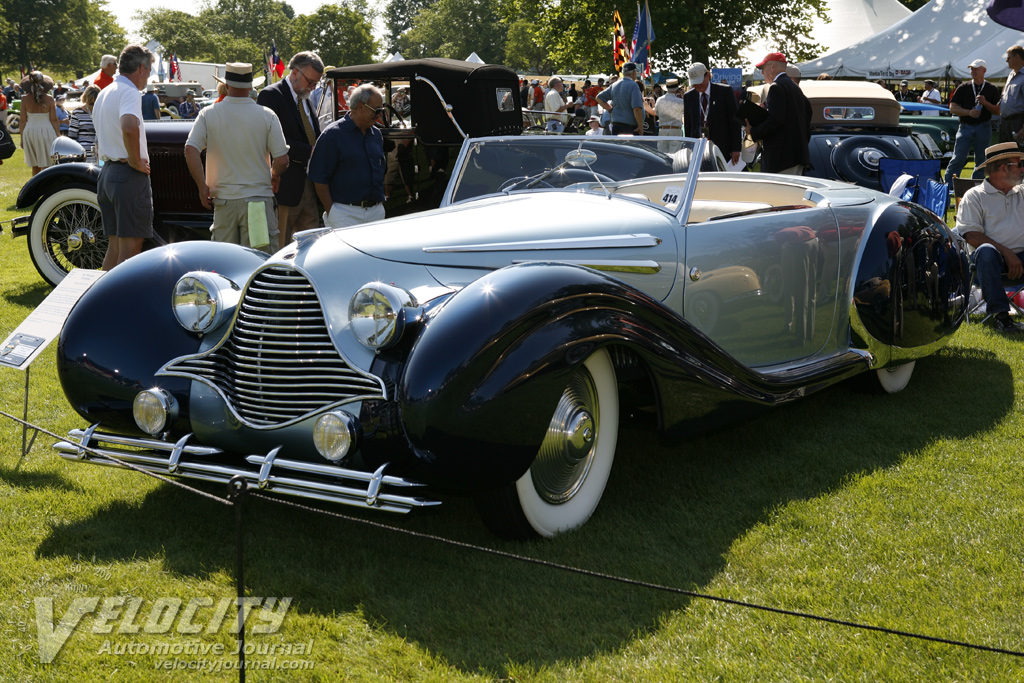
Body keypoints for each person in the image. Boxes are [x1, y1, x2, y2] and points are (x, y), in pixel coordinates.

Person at [184, 62, 287, 253]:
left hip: (224, 202)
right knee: (258, 264)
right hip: (258, 201)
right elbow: (282, 159)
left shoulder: (209, 114)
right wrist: (275, 175)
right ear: (251, 87)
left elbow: (190, 149)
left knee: (225, 264)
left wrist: (201, 186)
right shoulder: (267, 115)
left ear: (226, 86)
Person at [92, 44, 154, 269]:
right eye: (148, 71)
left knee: (115, 247)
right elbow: (129, 127)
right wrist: (136, 162)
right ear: (140, 68)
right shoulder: (129, 92)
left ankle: (103, 302)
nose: (148, 77)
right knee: (130, 251)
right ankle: (120, 303)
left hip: (107, 173)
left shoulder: (105, 91)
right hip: (127, 175)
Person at [257, 51, 325, 248]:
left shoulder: (305, 97)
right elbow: (271, 139)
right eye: (310, 82)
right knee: (281, 243)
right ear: (294, 73)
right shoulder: (271, 95)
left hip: (309, 183)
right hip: (284, 182)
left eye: (316, 84)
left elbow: (312, 133)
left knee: (310, 244)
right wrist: (310, 151)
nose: (313, 87)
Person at [955, 142, 1024, 333]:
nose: (1022, 169)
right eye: (1019, 165)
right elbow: (972, 235)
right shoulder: (974, 196)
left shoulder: (1022, 193)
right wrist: (1008, 254)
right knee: (986, 252)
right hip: (990, 263)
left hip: (1022, 257)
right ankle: (1002, 318)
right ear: (1003, 168)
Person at [307, 83, 386, 229]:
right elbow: (319, 178)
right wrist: (332, 212)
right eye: (377, 110)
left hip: (375, 212)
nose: (380, 115)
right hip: (345, 213)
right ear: (360, 107)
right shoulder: (332, 135)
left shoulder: (376, 135)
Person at [745, 52, 811, 174]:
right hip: (796, 156)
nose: (762, 73)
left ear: (773, 66)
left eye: (763, 69)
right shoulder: (795, 87)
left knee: (779, 193)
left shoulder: (776, 87)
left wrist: (753, 131)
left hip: (782, 159)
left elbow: (776, 120)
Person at [945, 60, 1000, 183]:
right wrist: (968, 112)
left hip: (984, 126)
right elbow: (952, 107)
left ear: (984, 71)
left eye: (976, 68)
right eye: (971, 69)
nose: (973, 71)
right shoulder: (963, 87)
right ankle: (948, 187)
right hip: (965, 126)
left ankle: (977, 187)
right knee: (958, 157)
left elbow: (997, 111)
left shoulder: (992, 89)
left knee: (981, 160)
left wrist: (985, 103)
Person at [683, 63, 741, 165]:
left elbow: (734, 121)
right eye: (694, 83)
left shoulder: (725, 91)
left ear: (708, 75)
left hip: (722, 147)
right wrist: (689, 148)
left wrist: (735, 148)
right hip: (698, 150)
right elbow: (688, 125)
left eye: (700, 81)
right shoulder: (689, 97)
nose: (698, 85)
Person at [18, 71, 59, 176]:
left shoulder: (24, 99)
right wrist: (58, 135)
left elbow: (22, 120)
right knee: (48, 163)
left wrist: (22, 138)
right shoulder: (49, 99)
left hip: (30, 131)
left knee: (35, 165)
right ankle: (48, 187)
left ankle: (35, 188)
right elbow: (54, 119)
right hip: (47, 131)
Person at [596, 62, 644, 135]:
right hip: (630, 127)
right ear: (634, 72)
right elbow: (637, 108)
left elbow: (599, 98)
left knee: (618, 145)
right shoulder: (634, 85)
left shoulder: (614, 85)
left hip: (616, 125)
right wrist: (640, 126)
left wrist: (609, 108)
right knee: (630, 146)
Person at [999, 46, 1024, 142]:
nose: (1006, 60)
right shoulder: (1010, 75)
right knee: (1004, 153)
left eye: (1009, 57)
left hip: (1017, 122)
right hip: (1005, 122)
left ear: (1017, 57)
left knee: (1017, 155)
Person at [68, 85, 100, 156]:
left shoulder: (103, 112)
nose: (93, 106)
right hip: (83, 153)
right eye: (91, 104)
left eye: (96, 103)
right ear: (85, 100)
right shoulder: (77, 112)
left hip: (101, 153)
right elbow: (72, 137)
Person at [654, 78, 685, 152]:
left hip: (663, 129)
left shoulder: (659, 100)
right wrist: (683, 96)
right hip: (675, 129)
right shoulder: (680, 101)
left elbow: (657, 113)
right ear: (676, 89)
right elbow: (687, 110)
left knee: (662, 154)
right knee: (675, 155)